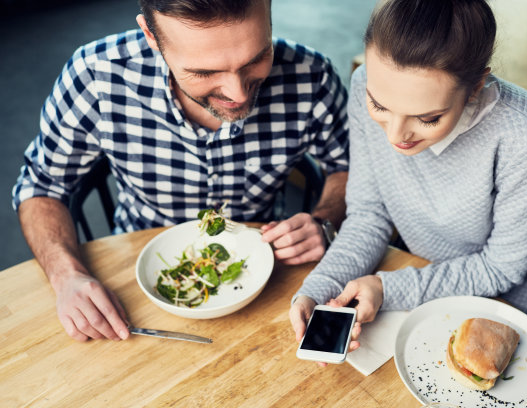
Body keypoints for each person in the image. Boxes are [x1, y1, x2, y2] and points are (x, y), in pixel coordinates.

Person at [13, 0, 349, 342]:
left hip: (265, 275)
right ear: (151, 35)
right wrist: (66, 275)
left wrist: (325, 218)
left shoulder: (312, 76)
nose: (238, 93)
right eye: (204, 72)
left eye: (256, 59)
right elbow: (41, 186)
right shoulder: (96, 76)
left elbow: (349, 167)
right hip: (130, 282)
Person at [290, 0, 527, 364]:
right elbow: (369, 216)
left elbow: (501, 267)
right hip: (444, 304)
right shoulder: (362, 87)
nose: (395, 136)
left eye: (428, 118)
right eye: (380, 106)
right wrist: (317, 289)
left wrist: (387, 288)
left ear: (475, 86)